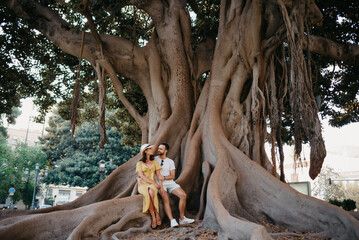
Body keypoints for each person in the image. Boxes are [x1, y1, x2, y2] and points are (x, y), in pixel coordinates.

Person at [155, 142, 195, 227]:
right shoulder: (154, 159)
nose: (158, 150)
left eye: (161, 149)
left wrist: (164, 177)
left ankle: (182, 218)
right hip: (159, 184)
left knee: (183, 195)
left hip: (170, 183)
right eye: (158, 148)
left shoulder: (170, 161)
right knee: (166, 198)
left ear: (166, 151)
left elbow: (172, 176)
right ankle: (172, 220)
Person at [136, 144, 162, 229]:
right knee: (147, 193)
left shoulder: (155, 162)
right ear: (145, 151)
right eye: (150, 149)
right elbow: (142, 176)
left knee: (151, 192)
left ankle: (157, 214)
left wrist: (160, 186)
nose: (152, 150)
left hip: (153, 184)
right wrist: (154, 184)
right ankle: (154, 217)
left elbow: (158, 175)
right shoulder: (139, 163)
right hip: (143, 184)